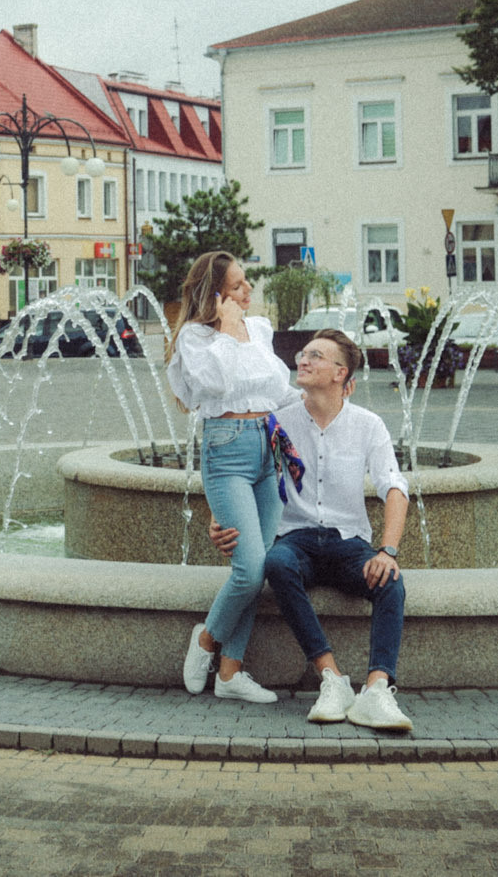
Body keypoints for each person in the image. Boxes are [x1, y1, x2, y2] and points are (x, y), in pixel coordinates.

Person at [210, 327, 414, 731]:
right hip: (296, 540)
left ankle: (377, 690)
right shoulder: (276, 422)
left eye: (316, 356)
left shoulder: (368, 425)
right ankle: (332, 679)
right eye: (303, 354)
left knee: (391, 581)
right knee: (276, 563)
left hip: (348, 543)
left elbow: (394, 486)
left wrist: (387, 550)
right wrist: (221, 518)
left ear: (341, 374)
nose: (303, 360)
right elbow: (242, 475)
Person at [164, 251, 302, 705]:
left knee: (260, 567)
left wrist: (323, 398)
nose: (248, 291)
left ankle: (230, 672)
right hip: (227, 448)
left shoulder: (259, 329)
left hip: (268, 447)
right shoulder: (196, 337)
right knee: (248, 569)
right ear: (216, 294)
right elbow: (212, 386)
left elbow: (277, 392)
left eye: (247, 283)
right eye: (238, 286)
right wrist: (224, 329)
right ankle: (206, 639)